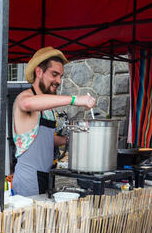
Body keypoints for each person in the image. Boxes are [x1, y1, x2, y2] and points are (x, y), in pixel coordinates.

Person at [12, 46, 96, 197]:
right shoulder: (24, 98)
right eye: (54, 74)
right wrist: (75, 100)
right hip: (29, 177)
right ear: (39, 72)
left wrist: (69, 140)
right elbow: (27, 104)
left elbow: (44, 138)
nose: (58, 81)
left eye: (61, 76)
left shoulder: (49, 108)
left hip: (46, 174)